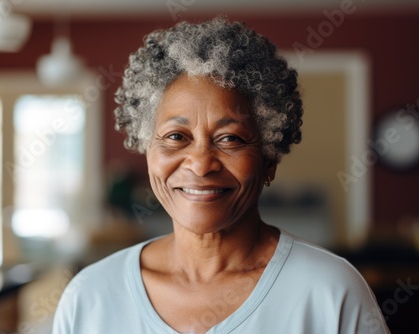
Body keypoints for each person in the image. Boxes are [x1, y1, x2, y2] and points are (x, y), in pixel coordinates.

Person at [53, 17, 390, 334]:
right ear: (147, 151)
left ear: (269, 159)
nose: (200, 164)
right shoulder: (90, 297)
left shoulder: (331, 291)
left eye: (230, 138)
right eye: (175, 137)